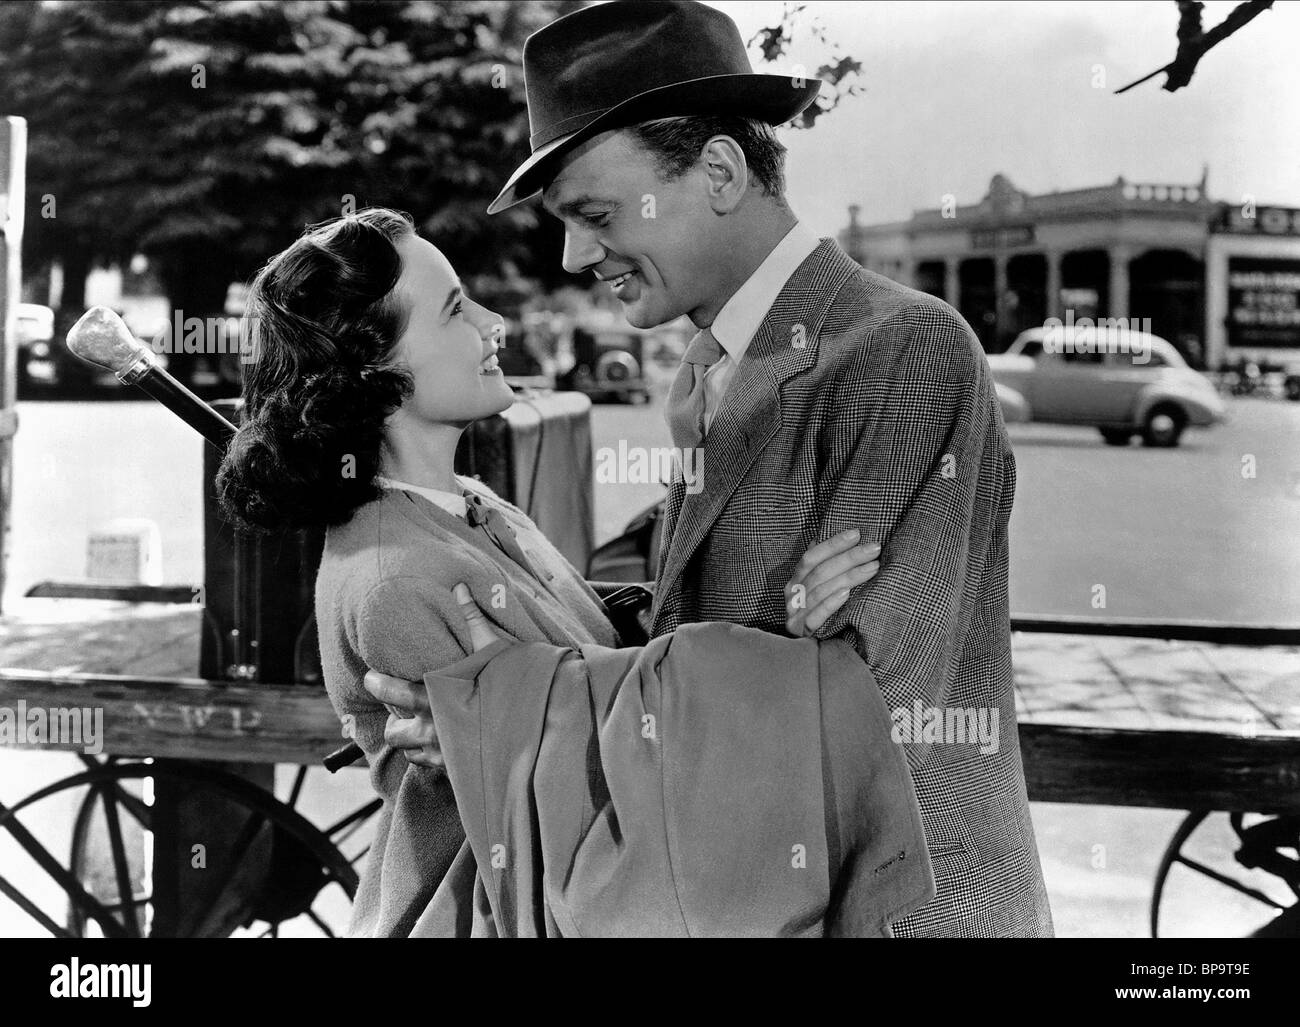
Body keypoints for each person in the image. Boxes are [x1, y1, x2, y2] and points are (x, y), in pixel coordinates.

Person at [369, 0, 1054, 937]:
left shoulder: (903, 349)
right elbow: (707, 620)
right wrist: (485, 658)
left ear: (722, 171)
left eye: (596, 214)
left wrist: (501, 714)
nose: (576, 254)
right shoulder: (721, 365)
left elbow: (861, 708)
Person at [215, 207, 921, 937]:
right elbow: (603, 792)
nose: (494, 324)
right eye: (456, 309)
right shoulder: (397, 580)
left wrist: (778, 617)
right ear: (377, 370)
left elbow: (599, 678)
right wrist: (787, 661)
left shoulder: (468, 505)